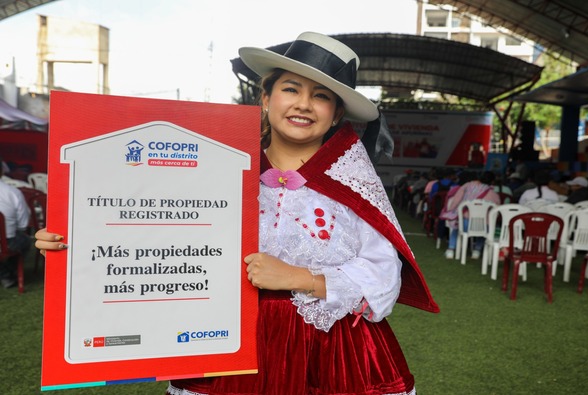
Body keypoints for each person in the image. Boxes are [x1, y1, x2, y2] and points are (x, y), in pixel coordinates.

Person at [35, 32, 439, 395]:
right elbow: (154, 237)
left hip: (333, 356)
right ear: (265, 98)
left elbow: (384, 281)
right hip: (226, 346)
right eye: (291, 89)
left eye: (320, 95)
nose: (303, 104)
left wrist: (298, 278)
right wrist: (75, 240)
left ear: (335, 114)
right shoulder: (217, 171)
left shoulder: (353, 186)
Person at [441, 170, 500, 260]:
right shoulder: (492, 193)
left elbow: (457, 199)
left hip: (465, 222)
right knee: (484, 231)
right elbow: (497, 209)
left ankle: (450, 250)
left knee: (456, 229)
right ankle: (477, 251)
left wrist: (450, 210)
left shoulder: (468, 185)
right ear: (492, 181)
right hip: (483, 226)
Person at [0, 155, 31, 288]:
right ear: (2, 170)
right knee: (25, 240)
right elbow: (24, 224)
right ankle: (5, 274)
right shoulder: (13, 192)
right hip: (7, 242)